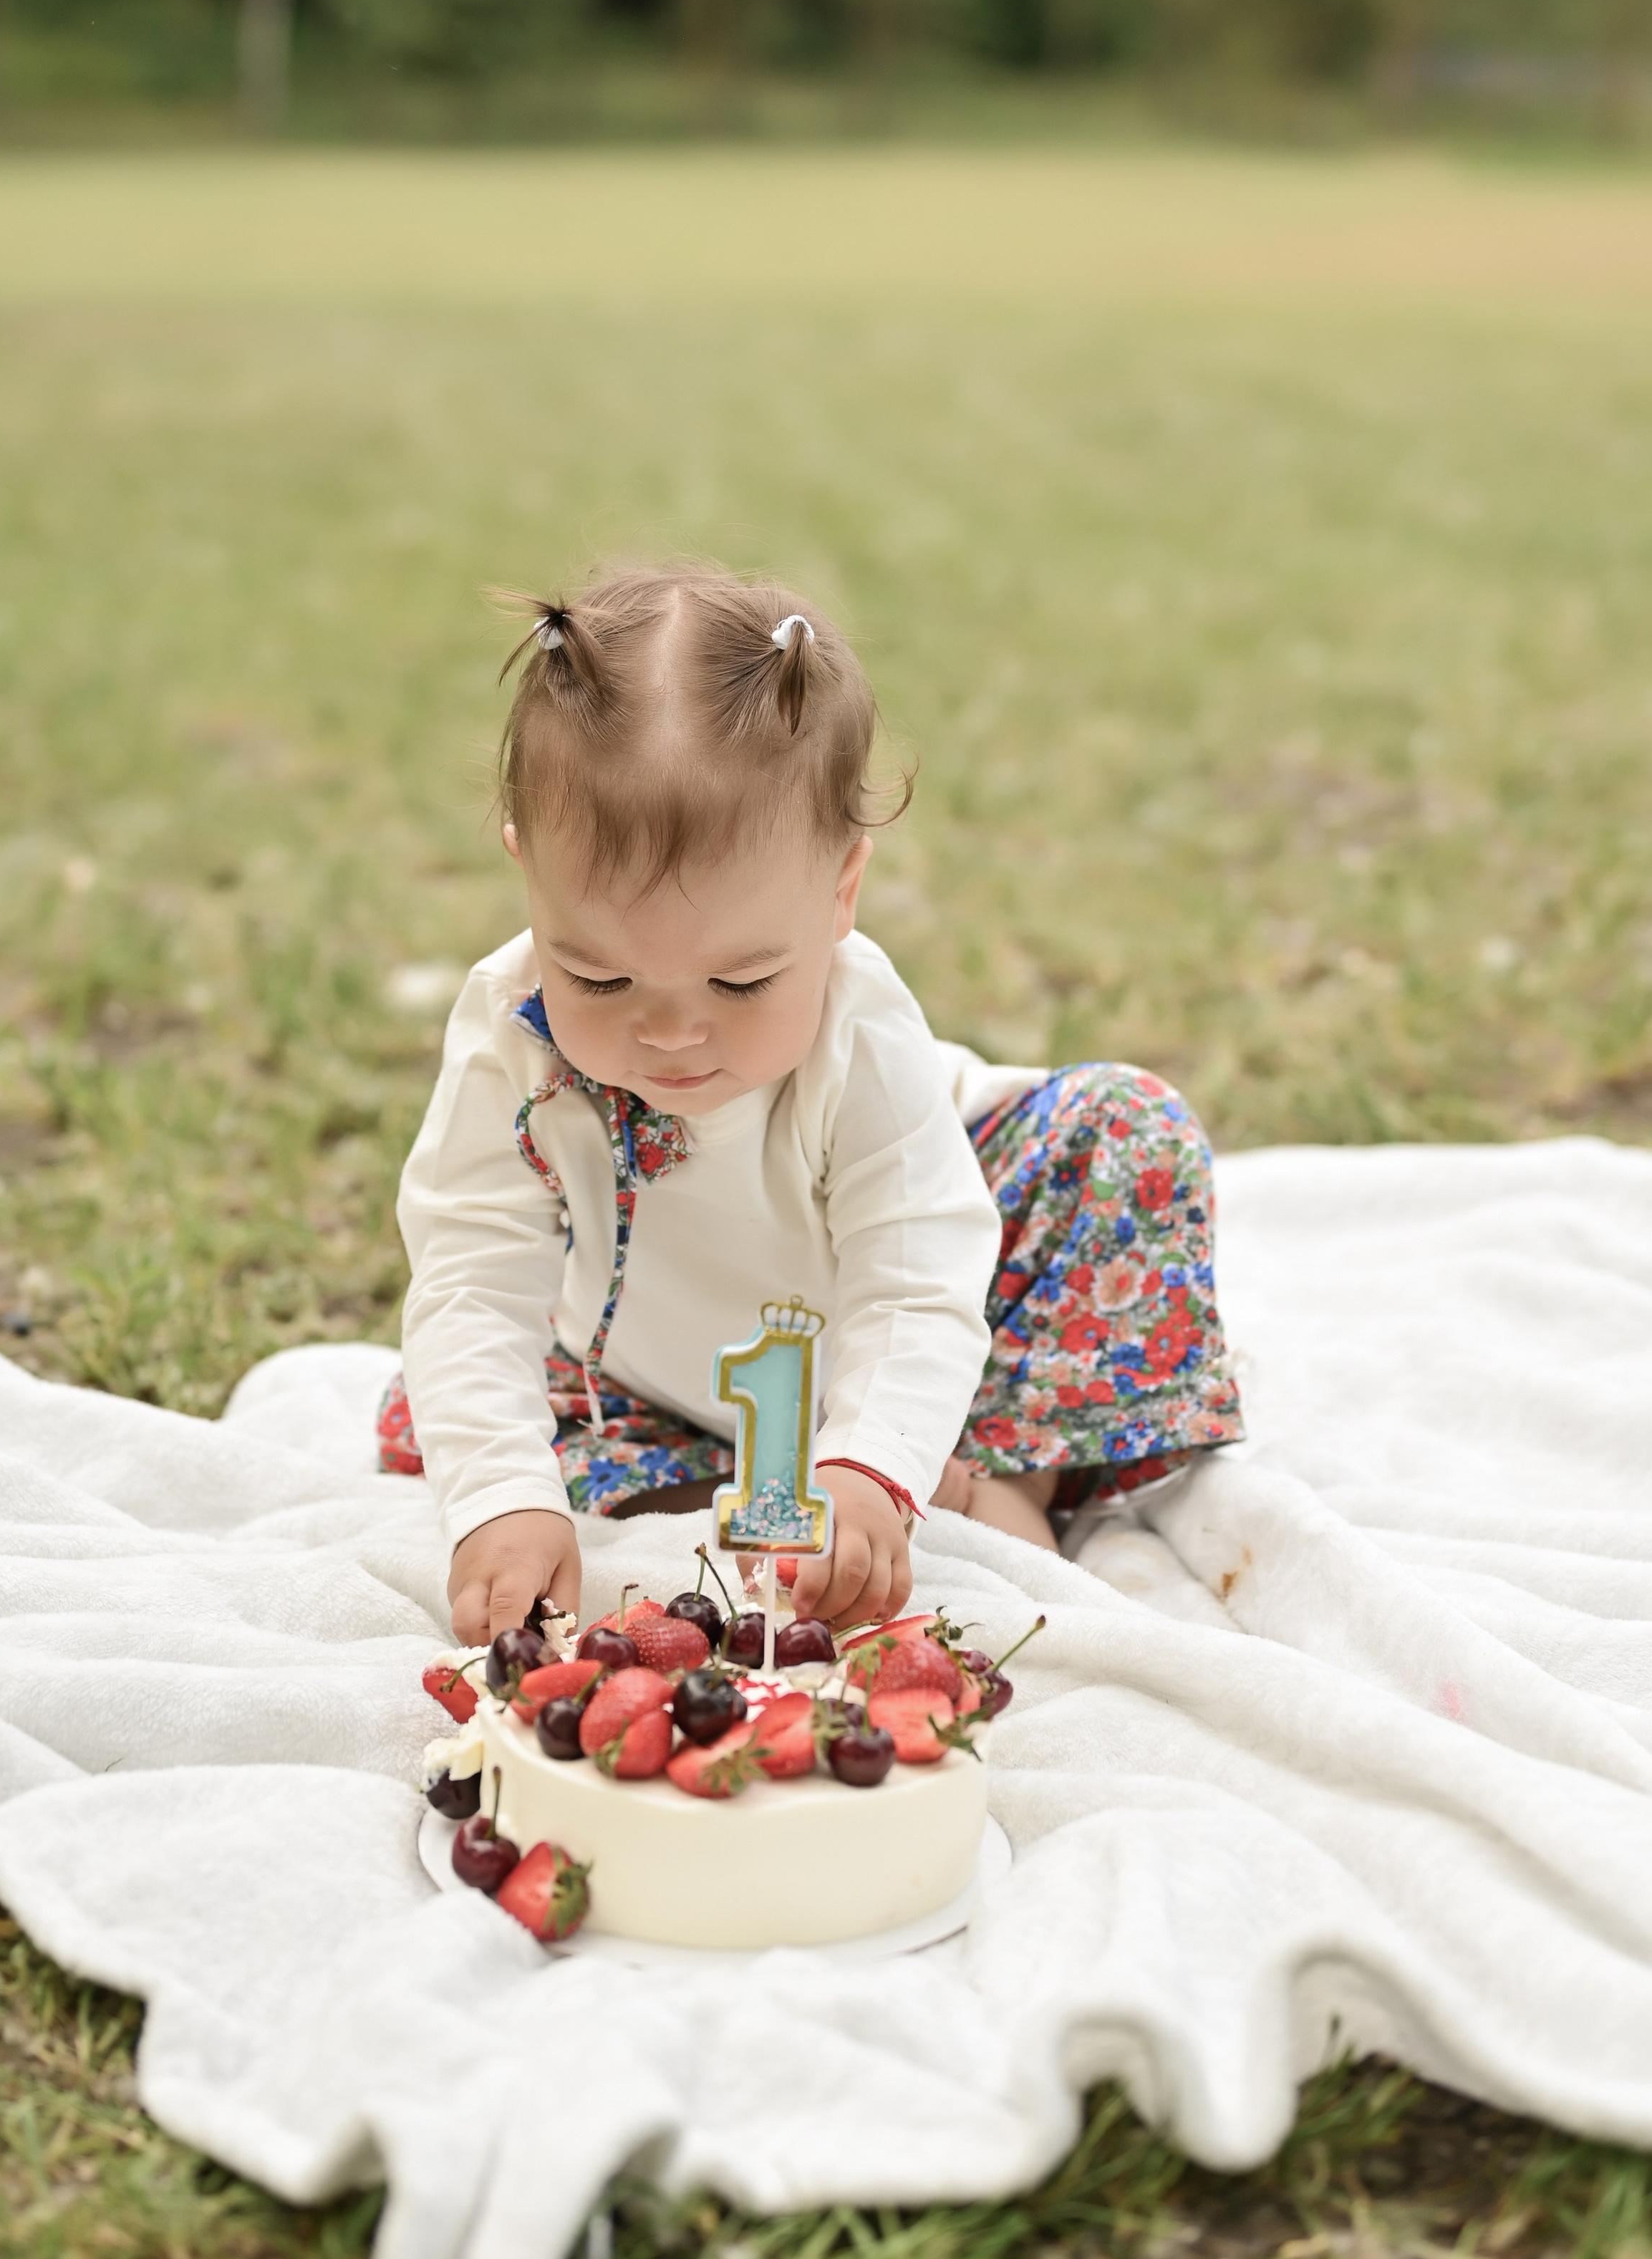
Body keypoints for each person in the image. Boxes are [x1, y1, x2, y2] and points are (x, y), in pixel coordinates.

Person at [378, 562, 1242, 1646]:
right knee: (443, 1415)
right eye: (599, 978)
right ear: (527, 874)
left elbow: (919, 1269)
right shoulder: (510, 1032)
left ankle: (996, 1469)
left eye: (741, 983)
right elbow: (471, 1271)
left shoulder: (858, 1031)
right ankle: (757, 1477)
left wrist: (874, 1465)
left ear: (841, 893)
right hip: (652, 1366)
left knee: (1127, 1135)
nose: (673, 1032)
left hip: (916, 1294)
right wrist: (504, 1503)